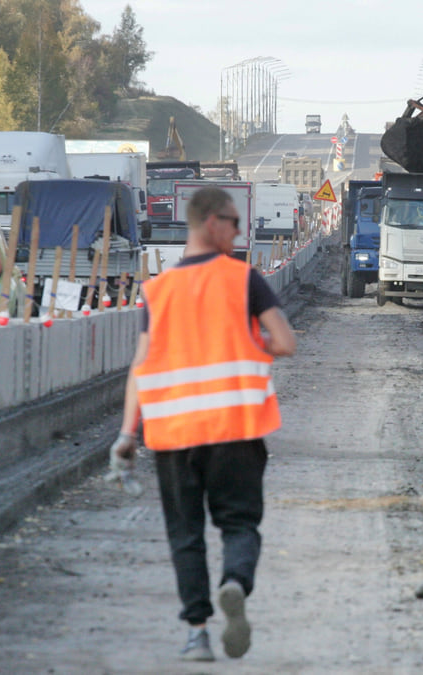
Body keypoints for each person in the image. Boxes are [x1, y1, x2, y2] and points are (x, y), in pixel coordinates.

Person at [111, 186, 297, 662]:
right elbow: (284, 341)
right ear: (212, 222)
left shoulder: (158, 290)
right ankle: (234, 582)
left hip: (173, 435)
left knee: (185, 534)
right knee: (239, 524)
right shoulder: (243, 279)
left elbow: (141, 365)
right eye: (234, 223)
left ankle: (197, 634)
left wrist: (127, 435)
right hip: (235, 428)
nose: (238, 232)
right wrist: (249, 342)